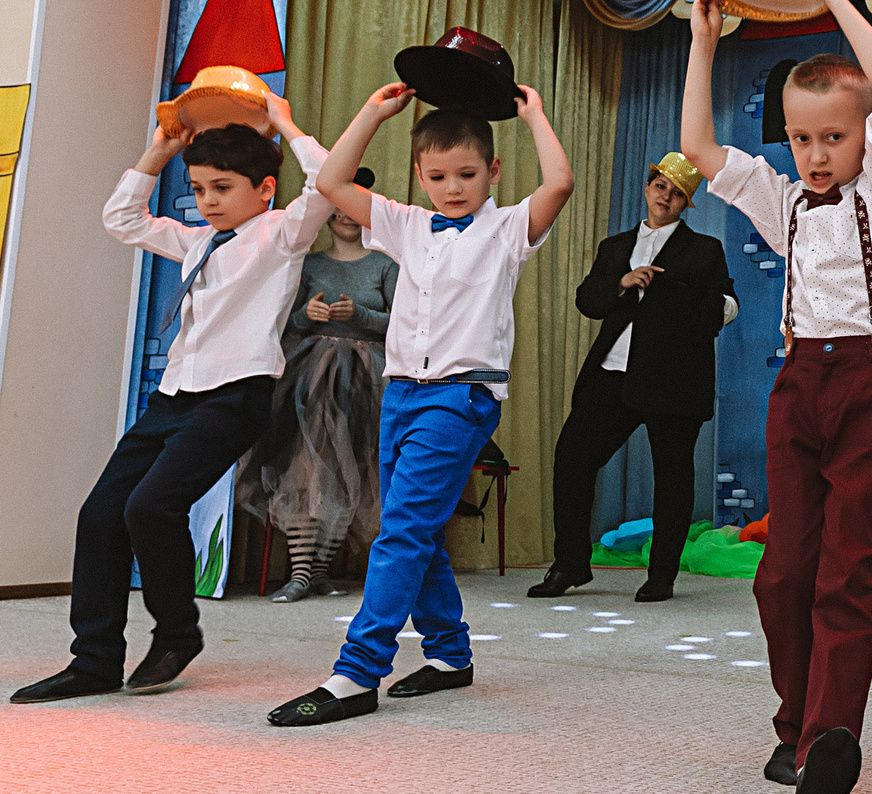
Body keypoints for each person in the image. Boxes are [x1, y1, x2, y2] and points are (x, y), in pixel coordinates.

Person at [680, 0, 872, 794]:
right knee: (782, 573)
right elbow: (701, 149)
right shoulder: (781, 202)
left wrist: (834, 2)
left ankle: (830, 738)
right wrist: (704, 44)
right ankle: (795, 724)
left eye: (834, 137)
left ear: (862, 139)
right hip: (799, 383)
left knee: (846, 574)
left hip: (870, 380)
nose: (817, 154)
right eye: (803, 138)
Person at [267, 80, 571, 728]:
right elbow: (333, 183)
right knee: (410, 528)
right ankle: (449, 653)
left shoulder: (507, 228)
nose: (453, 185)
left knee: (402, 529)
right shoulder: (405, 225)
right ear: (419, 174)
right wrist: (373, 112)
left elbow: (559, 186)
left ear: (492, 170)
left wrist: (536, 117)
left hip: (461, 397)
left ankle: (357, 671)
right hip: (400, 391)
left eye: (467, 173)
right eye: (437, 174)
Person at [12, 95, 330, 704]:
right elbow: (122, 220)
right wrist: (159, 153)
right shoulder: (195, 243)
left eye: (223, 187)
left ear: (264, 190)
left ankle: (177, 633)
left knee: (151, 508)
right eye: (200, 187)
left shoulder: (282, 233)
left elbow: (323, 179)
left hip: (234, 396)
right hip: (174, 397)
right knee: (100, 515)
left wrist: (285, 123)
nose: (208, 200)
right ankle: (95, 660)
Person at [533, 152, 736, 604]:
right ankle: (569, 563)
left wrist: (688, 311)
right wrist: (622, 283)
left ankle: (661, 575)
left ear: (688, 204)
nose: (666, 197)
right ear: (647, 189)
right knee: (572, 458)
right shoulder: (613, 247)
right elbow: (588, 301)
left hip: (673, 380)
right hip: (612, 373)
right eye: (660, 186)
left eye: (677, 193)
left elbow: (725, 303)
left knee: (673, 478)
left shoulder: (705, 250)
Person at [243, 168, 399, 603]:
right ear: (327, 213)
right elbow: (281, 322)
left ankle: (317, 573)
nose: (347, 216)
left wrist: (361, 316)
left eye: (356, 208)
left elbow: (405, 325)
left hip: (364, 382)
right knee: (304, 472)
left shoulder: (385, 265)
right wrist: (305, 316)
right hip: (308, 380)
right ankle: (300, 574)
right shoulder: (308, 264)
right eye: (340, 207)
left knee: (349, 476)